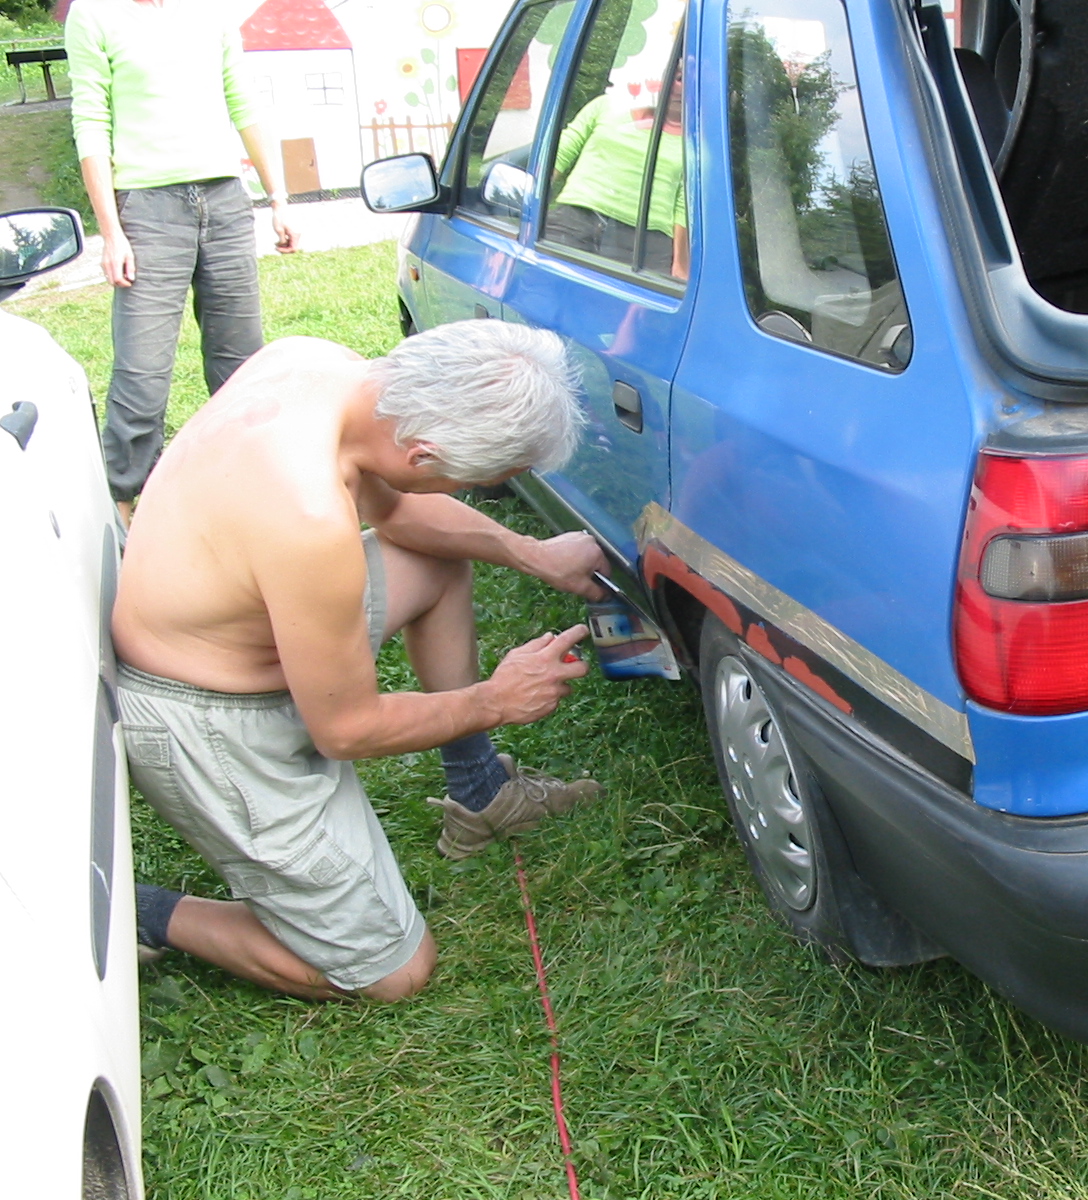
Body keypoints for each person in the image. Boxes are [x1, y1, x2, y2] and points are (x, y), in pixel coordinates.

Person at [115, 320, 609, 1002]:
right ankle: (139, 911)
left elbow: (400, 511)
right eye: (484, 479)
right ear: (424, 453)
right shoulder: (306, 517)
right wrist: (495, 699)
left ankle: (479, 791)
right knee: (390, 974)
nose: (481, 489)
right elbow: (346, 730)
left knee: (436, 560)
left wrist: (534, 553)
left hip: (243, 624)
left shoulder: (319, 367)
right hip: (207, 717)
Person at [64, 0, 302, 525]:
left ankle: (251, 495)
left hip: (225, 201)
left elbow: (243, 102)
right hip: (147, 211)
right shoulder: (93, 13)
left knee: (241, 363)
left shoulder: (210, 9)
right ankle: (120, 510)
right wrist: (112, 233)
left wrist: (278, 197)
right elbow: (91, 121)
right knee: (143, 372)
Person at [546, 74, 689, 279]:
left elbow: (685, 204)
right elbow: (560, 152)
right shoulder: (607, 105)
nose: (682, 86)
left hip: (645, 247)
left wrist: (680, 264)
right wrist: (529, 194)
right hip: (574, 223)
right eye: (679, 77)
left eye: (692, 80)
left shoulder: (697, 144)